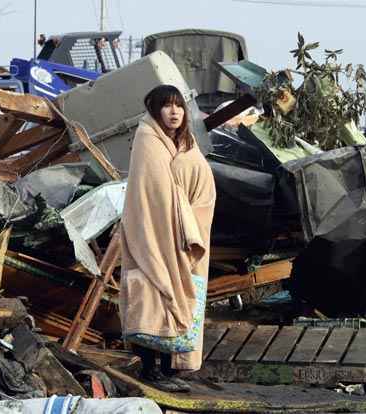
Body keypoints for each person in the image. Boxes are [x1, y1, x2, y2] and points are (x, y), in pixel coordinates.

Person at [119, 85, 216, 392]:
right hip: (154, 232)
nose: (174, 112)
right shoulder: (148, 141)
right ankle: (150, 370)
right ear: (154, 110)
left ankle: (167, 368)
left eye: (179, 106)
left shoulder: (183, 142)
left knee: (174, 300)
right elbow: (157, 195)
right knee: (155, 297)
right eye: (167, 106)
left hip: (183, 233)